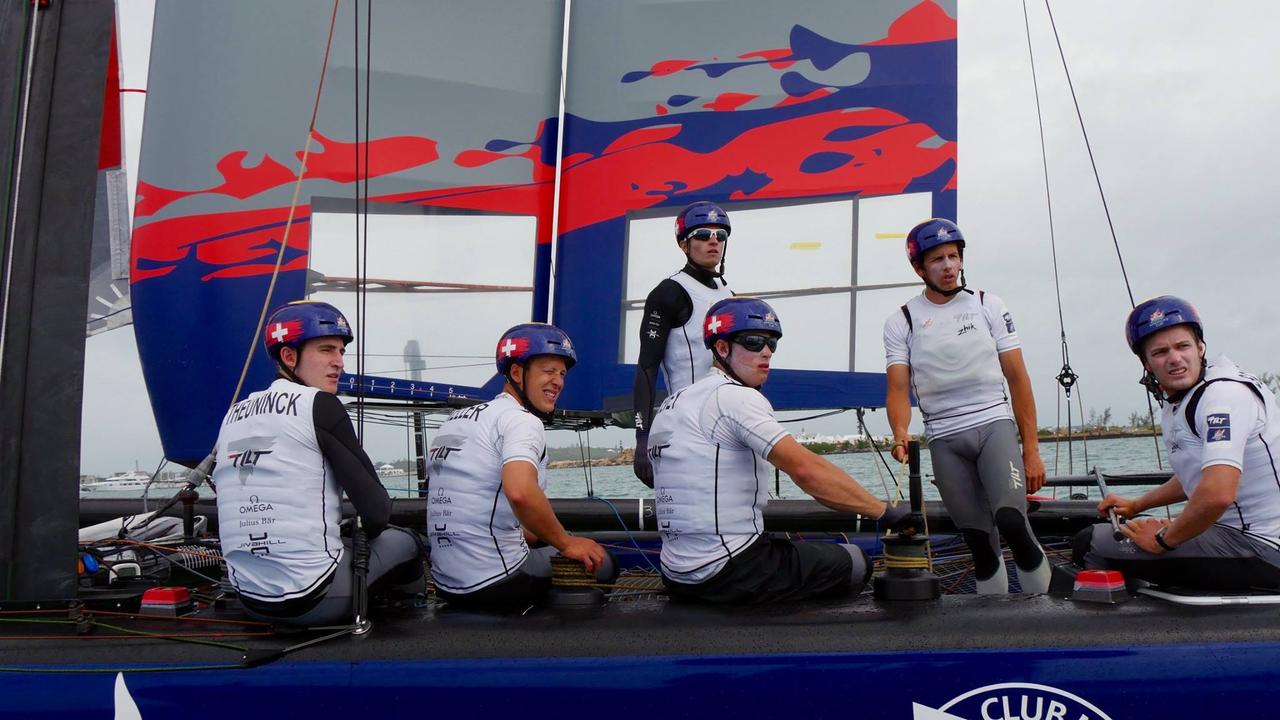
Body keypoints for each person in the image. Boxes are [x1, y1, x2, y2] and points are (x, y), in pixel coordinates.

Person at [649, 297, 918, 604]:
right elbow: (806, 471)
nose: (766, 352)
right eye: (753, 342)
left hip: (676, 573)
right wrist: (885, 513)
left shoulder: (674, 401)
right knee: (856, 562)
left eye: (771, 344)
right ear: (721, 349)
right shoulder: (736, 398)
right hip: (729, 569)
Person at [213, 300, 424, 626]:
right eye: (326, 350)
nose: (339, 362)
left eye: (341, 352)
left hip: (250, 599)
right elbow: (377, 513)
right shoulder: (319, 404)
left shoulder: (233, 414)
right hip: (314, 598)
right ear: (288, 356)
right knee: (406, 541)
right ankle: (412, 631)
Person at [883, 218, 1051, 595]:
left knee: (1010, 520)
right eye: (938, 259)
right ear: (919, 268)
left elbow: (1018, 379)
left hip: (994, 424)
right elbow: (897, 388)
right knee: (978, 540)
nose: (948, 266)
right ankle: (994, 626)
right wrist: (898, 432)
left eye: (953, 257)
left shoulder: (987, 304)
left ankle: (1042, 612)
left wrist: (1032, 449)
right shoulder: (902, 321)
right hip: (944, 437)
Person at [1075, 296, 1280, 590]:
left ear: (1200, 347)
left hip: (1263, 546)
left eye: (1182, 346)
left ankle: (1122, 632)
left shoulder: (1222, 398)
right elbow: (1196, 475)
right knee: (1131, 529)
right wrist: (1137, 504)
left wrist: (1163, 541)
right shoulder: (1185, 397)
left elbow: (1217, 494)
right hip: (1233, 533)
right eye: (1160, 352)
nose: (1174, 358)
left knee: (1092, 542)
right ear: (1146, 363)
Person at [427, 323, 615, 611]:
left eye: (562, 373)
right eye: (548, 371)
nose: (558, 382)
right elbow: (521, 493)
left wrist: (550, 534)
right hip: (497, 580)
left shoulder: (456, 419)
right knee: (602, 562)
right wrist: (567, 542)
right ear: (516, 373)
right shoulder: (521, 420)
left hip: (446, 584)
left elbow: (487, 512)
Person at [632, 201, 734, 487]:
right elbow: (646, 368)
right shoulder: (668, 293)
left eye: (720, 235)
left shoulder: (730, 295)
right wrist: (642, 438)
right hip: (688, 423)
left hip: (729, 420)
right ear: (684, 244)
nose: (713, 241)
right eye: (703, 234)